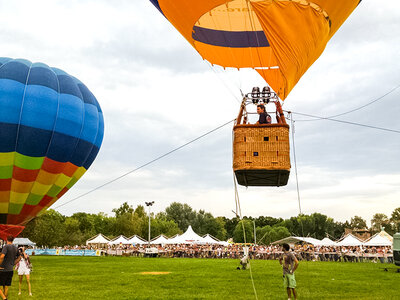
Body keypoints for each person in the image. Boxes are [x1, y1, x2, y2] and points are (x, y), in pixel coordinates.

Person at [0, 236, 21, 300]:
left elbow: (2, 256)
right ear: (13, 240)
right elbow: (19, 257)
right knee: (6, 287)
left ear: (6, 239)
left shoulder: (6, 246)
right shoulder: (15, 248)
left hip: (3, 269)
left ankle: (4, 298)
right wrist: (13, 264)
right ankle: (5, 298)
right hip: (10, 270)